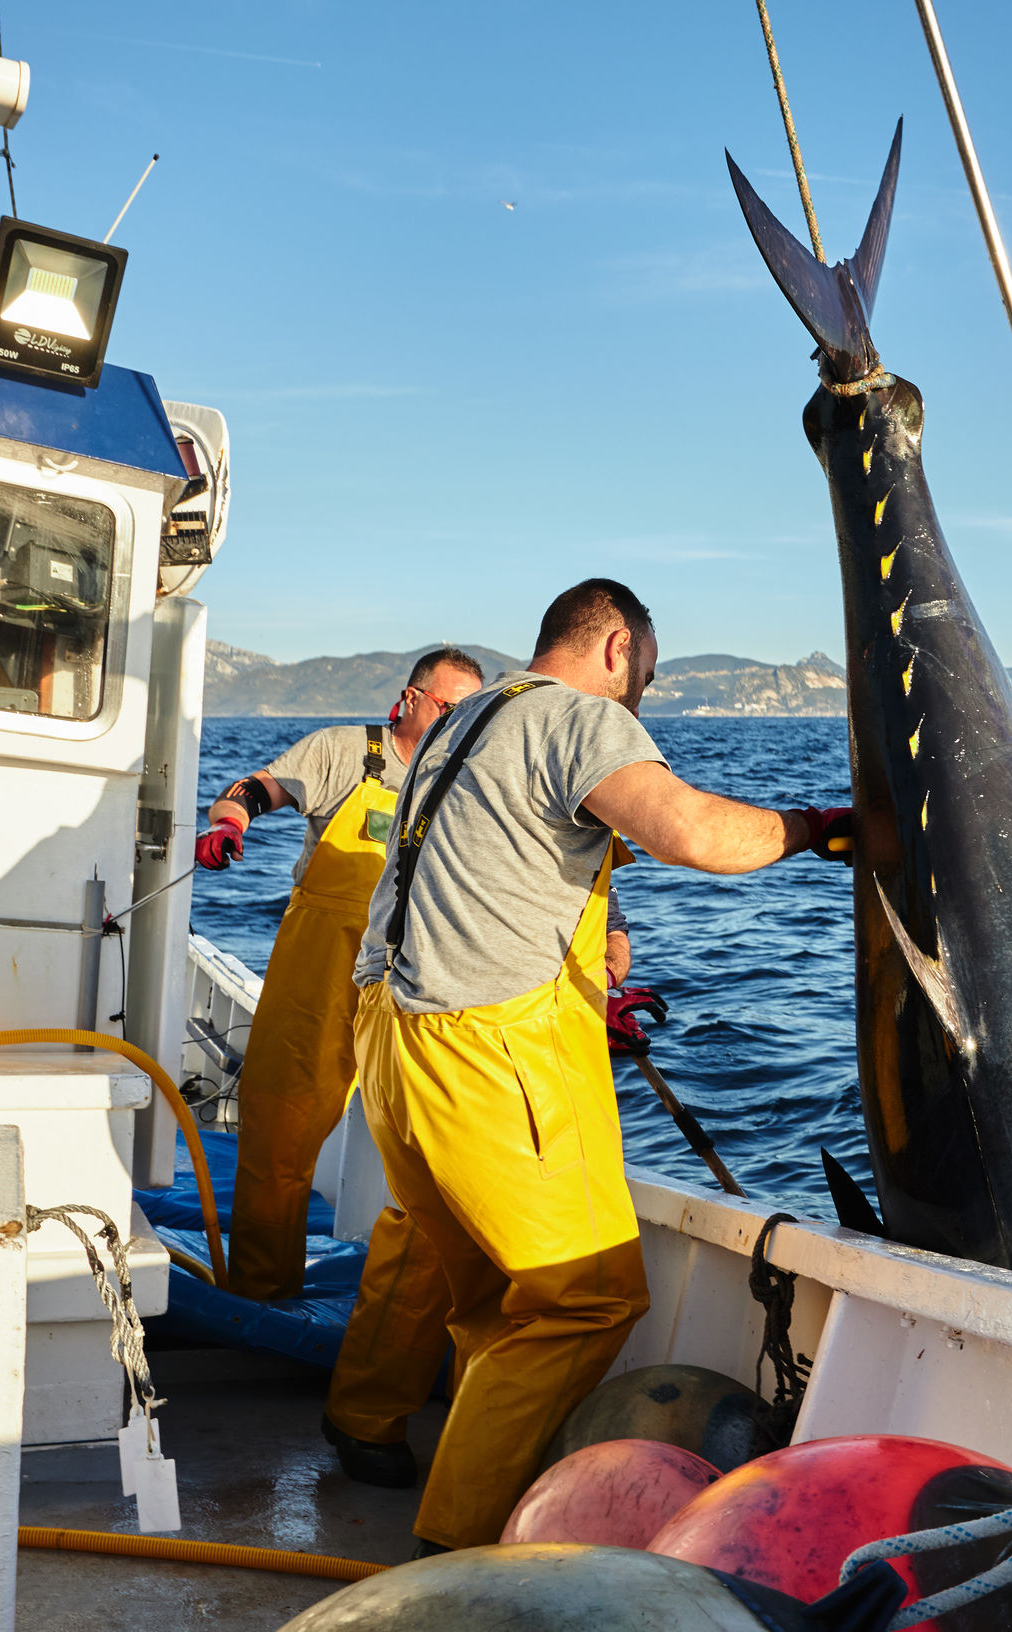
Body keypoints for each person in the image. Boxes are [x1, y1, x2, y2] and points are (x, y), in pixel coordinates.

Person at [336, 578, 853, 1554]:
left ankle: (368, 1428)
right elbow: (689, 830)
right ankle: (452, 1553)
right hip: (487, 1052)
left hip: (392, 1041)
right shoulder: (581, 718)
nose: (641, 699)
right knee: (584, 1299)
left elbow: (485, 870)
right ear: (616, 648)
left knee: (489, 1298)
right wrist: (816, 826)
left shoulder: (465, 719)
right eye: (644, 675)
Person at [195, 647, 485, 1305]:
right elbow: (254, 789)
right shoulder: (344, 751)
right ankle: (261, 1297)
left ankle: (419, 1308)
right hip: (321, 965)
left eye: (469, 715)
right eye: (447, 707)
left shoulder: (470, 781)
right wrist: (230, 823)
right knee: (281, 1129)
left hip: (417, 974)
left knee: (439, 1144)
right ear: (410, 699)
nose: (456, 724)